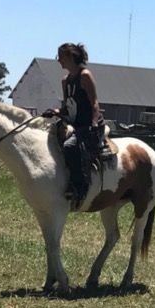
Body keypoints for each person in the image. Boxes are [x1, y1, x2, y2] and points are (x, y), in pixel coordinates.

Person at [42, 42, 104, 207]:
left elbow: (94, 103)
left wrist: (93, 123)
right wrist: (55, 112)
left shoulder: (85, 76)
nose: (58, 61)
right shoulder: (65, 81)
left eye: (60, 56)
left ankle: (79, 186)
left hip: (88, 125)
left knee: (70, 146)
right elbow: (67, 107)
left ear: (70, 56)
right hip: (74, 124)